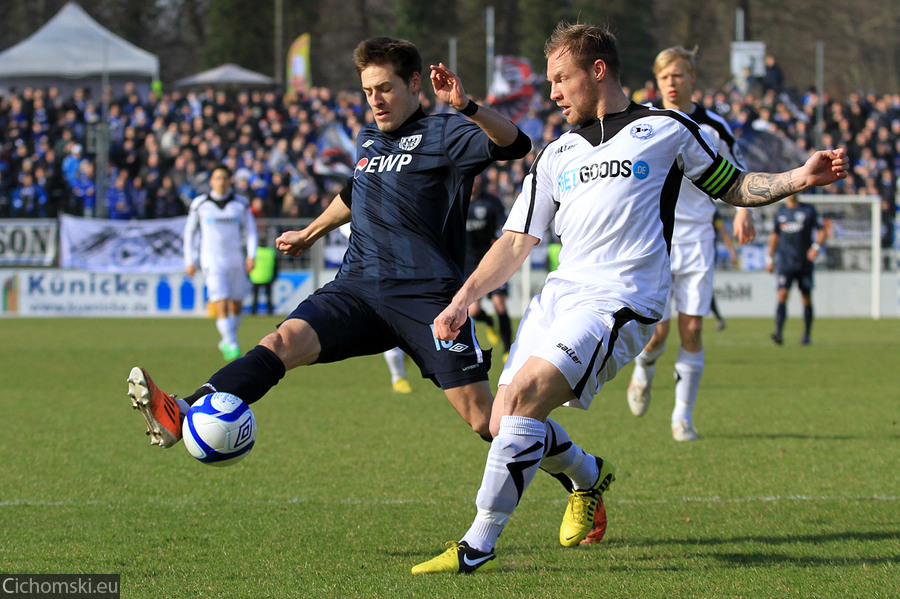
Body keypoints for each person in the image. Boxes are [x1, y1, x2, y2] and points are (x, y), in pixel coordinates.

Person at [412, 22, 847, 574]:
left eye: (561, 79)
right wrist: (463, 299)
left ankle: (477, 545)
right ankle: (589, 476)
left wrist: (797, 179)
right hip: (559, 298)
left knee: (522, 398)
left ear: (598, 71)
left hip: (621, 300)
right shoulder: (555, 154)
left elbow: (733, 185)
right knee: (500, 424)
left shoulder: (666, 129)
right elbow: (516, 240)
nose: (553, 93)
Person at [127, 38, 531, 454]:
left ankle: (581, 469)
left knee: (485, 420)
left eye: (385, 89)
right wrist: (309, 233)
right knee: (279, 343)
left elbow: (516, 144)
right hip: (356, 289)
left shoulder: (446, 134)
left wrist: (466, 106)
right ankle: (182, 408)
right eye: (368, 91)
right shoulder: (368, 139)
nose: (376, 100)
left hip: (425, 296)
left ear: (414, 84)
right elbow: (356, 190)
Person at [626, 46, 755, 443]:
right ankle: (643, 370)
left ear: (691, 78)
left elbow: (735, 172)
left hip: (698, 236)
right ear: (657, 79)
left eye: (678, 75)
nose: (671, 82)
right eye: (665, 76)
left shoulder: (713, 125)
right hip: (656, 238)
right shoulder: (642, 120)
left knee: (693, 329)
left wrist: (741, 211)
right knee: (658, 333)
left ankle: (682, 415)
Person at [183, 164, 258, 361]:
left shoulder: (240, 204)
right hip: (212, 260)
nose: (221, 182)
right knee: (221, 300)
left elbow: (250, 231)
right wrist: (190, 260)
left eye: (225, 178)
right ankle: (231, 344)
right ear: (211, 181)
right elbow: (190, 233)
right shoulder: (200, 204)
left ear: (230, 181)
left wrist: (251, 255)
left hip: (235, 259)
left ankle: (227, 337)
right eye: (217, 178)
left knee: (237, 304)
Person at [766, 194, 826, 345]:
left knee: (806, 297)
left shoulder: (808, 210)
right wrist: (770, 258)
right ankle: (778, 334)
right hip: (785, 262)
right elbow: (774, 236)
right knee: (782, 294)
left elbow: (822, 230)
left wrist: (816, 247)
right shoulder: (780, 212)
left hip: (804, 262)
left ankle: (806, 335)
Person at [465, 174, 513, 358]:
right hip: (468, 264)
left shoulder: (491, 203)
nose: (474, 181)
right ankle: (488, 322)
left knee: (499, 303)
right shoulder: (456, 201)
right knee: (474, 310)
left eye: (477, 178)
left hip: (492, 261)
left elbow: (503, 227)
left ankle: (508, 349)